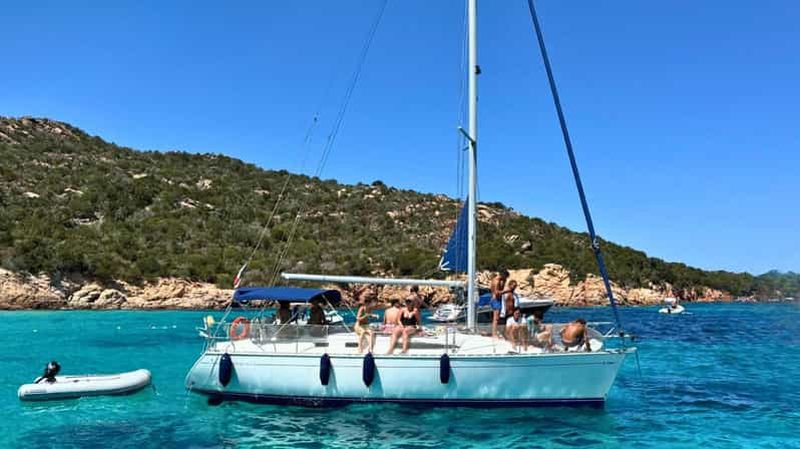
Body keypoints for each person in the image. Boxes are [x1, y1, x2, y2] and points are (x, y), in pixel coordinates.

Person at [490, 270, 509, 338]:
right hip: (495, 299)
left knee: (497, 317)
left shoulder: (501, 280)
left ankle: (495, 332)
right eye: (505, 277)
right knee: (496, 318)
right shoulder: (496, 281)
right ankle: (494, 334)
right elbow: (496, 292)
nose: (506, 279)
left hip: (498, 299)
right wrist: (506, 291)